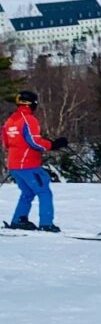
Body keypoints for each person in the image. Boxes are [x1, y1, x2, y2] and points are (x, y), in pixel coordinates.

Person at [2, 91, 67, 232]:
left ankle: (19, 219)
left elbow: (6, 143)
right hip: (28, 165)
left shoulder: (10, 120)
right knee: (44, 192)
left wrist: (45, 142)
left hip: (14, 165)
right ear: (33, 104)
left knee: (27, 192)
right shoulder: (29, 119)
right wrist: (54, 144)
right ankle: (46, 224)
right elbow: (34, 142)